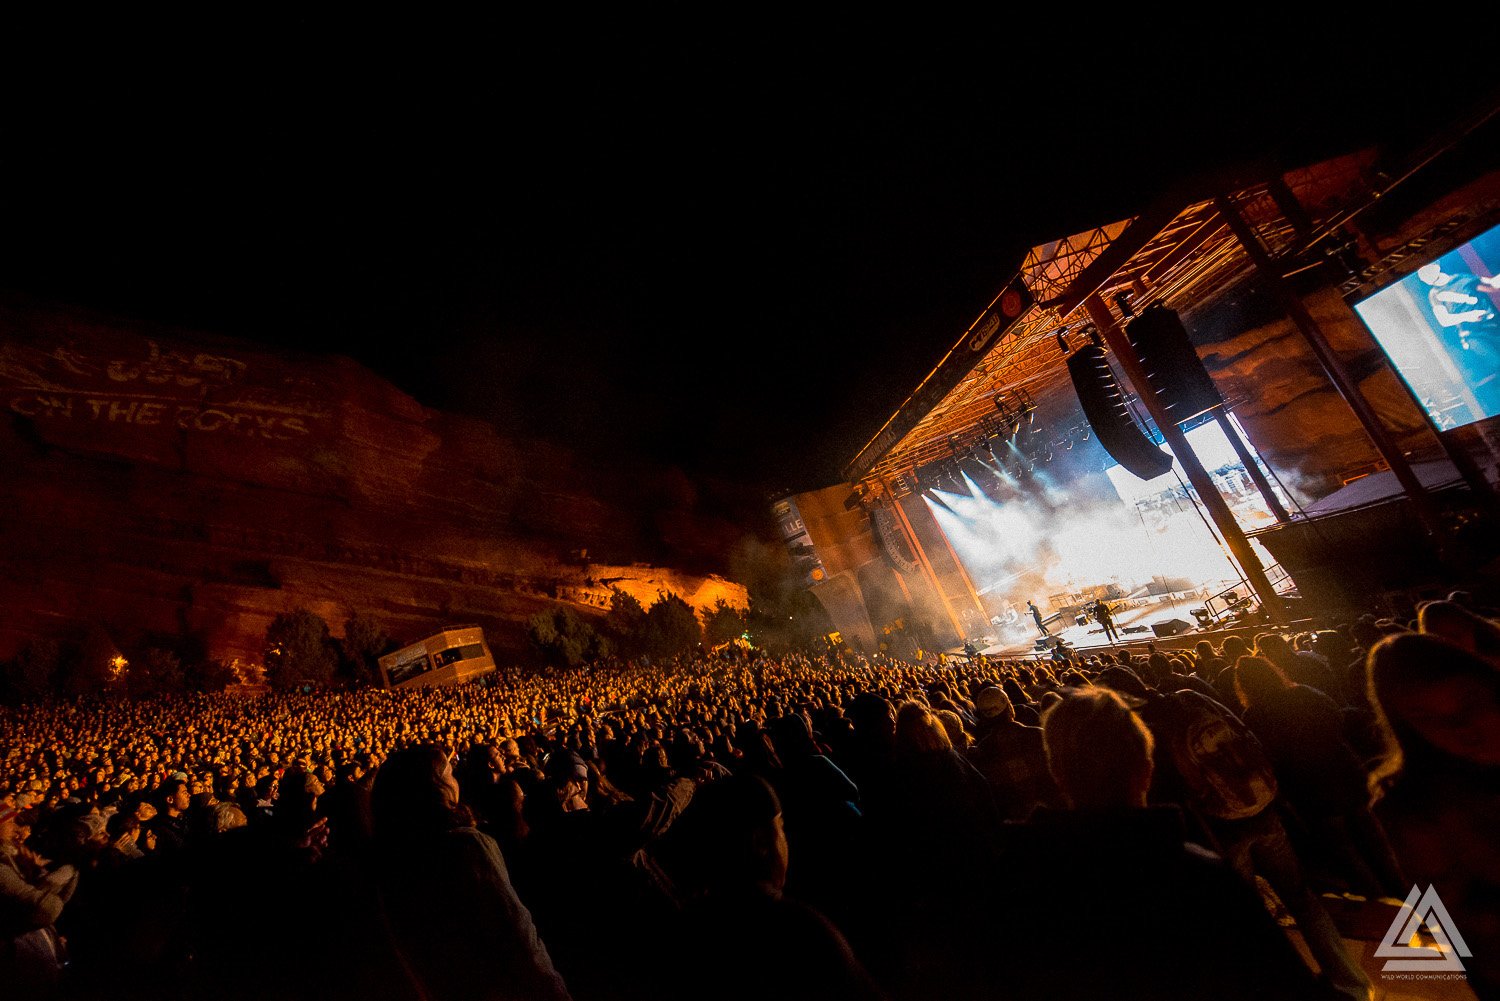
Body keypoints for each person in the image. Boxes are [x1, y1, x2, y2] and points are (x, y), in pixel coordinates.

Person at [371, 745, 571, 1001]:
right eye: (449, 774)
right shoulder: (464, 847)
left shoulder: (392, 866)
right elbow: (518, 935)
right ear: (434, 787)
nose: (456, 780)